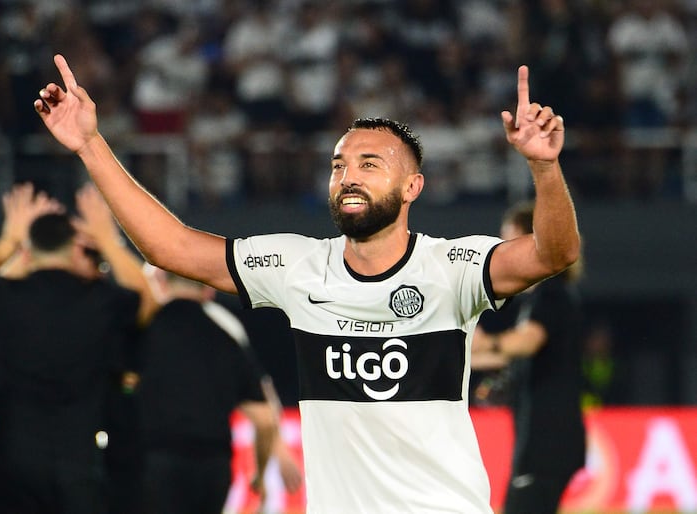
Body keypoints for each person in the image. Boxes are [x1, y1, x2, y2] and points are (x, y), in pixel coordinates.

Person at [34, 54, 580, 513]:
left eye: (370, 164)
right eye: (339, 164)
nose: (349, 175)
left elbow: (554, 254)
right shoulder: (296, 268)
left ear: (412, 186)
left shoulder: (452, 268)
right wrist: (90, 145)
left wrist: (544, 169)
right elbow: (171, 249)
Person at [0, 182, 145, 514]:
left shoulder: (5, 296)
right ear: (73, 250)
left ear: (28, 252)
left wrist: (8, 241)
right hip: (77, 463)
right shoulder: (98, 300)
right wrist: (108, 241)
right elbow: (146, 300)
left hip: (11, 462)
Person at [472, 201, 586, 514]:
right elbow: (509, 356)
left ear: (529, 242)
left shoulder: (552, 293)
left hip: (548, 442)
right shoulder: (537, 300)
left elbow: (527, 343)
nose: (500, 250)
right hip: (543, 442)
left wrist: (485, 344)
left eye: (506, 239)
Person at [136, 264, 279, 514]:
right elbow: (266, 420)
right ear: (208, 290)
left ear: (163, 282)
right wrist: (259, 473)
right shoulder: (225, 337)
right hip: (212, 468)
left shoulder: (145, 327)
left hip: (154, 461)